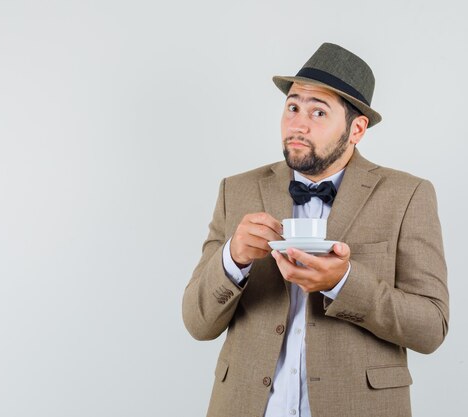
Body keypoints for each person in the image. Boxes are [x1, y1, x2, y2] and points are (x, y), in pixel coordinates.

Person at [182, 42, 449, 417]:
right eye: (292, 107)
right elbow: (197, 323)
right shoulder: (237, 190)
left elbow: (431, 327)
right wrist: (232, 258)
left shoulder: (407, 195)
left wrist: (344, 283)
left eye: (318, 112)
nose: (298, 124)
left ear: (356, 129)